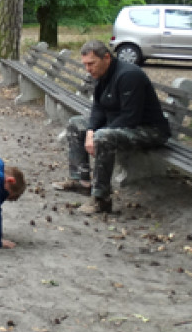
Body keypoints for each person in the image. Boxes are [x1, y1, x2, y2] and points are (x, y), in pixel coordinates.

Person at [52, 39, 171, 214]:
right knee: (76, 124)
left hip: (149, 130)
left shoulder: (129, 75)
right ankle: (81, 181)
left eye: (91, 64)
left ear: (106, 57)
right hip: (121, 124)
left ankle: (101, 199)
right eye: (85, 64)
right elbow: (99, 107)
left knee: (103, 137)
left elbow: (131, 118)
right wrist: (91, 131)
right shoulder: (101, 75)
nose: (88, 69)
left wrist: (97, 134)